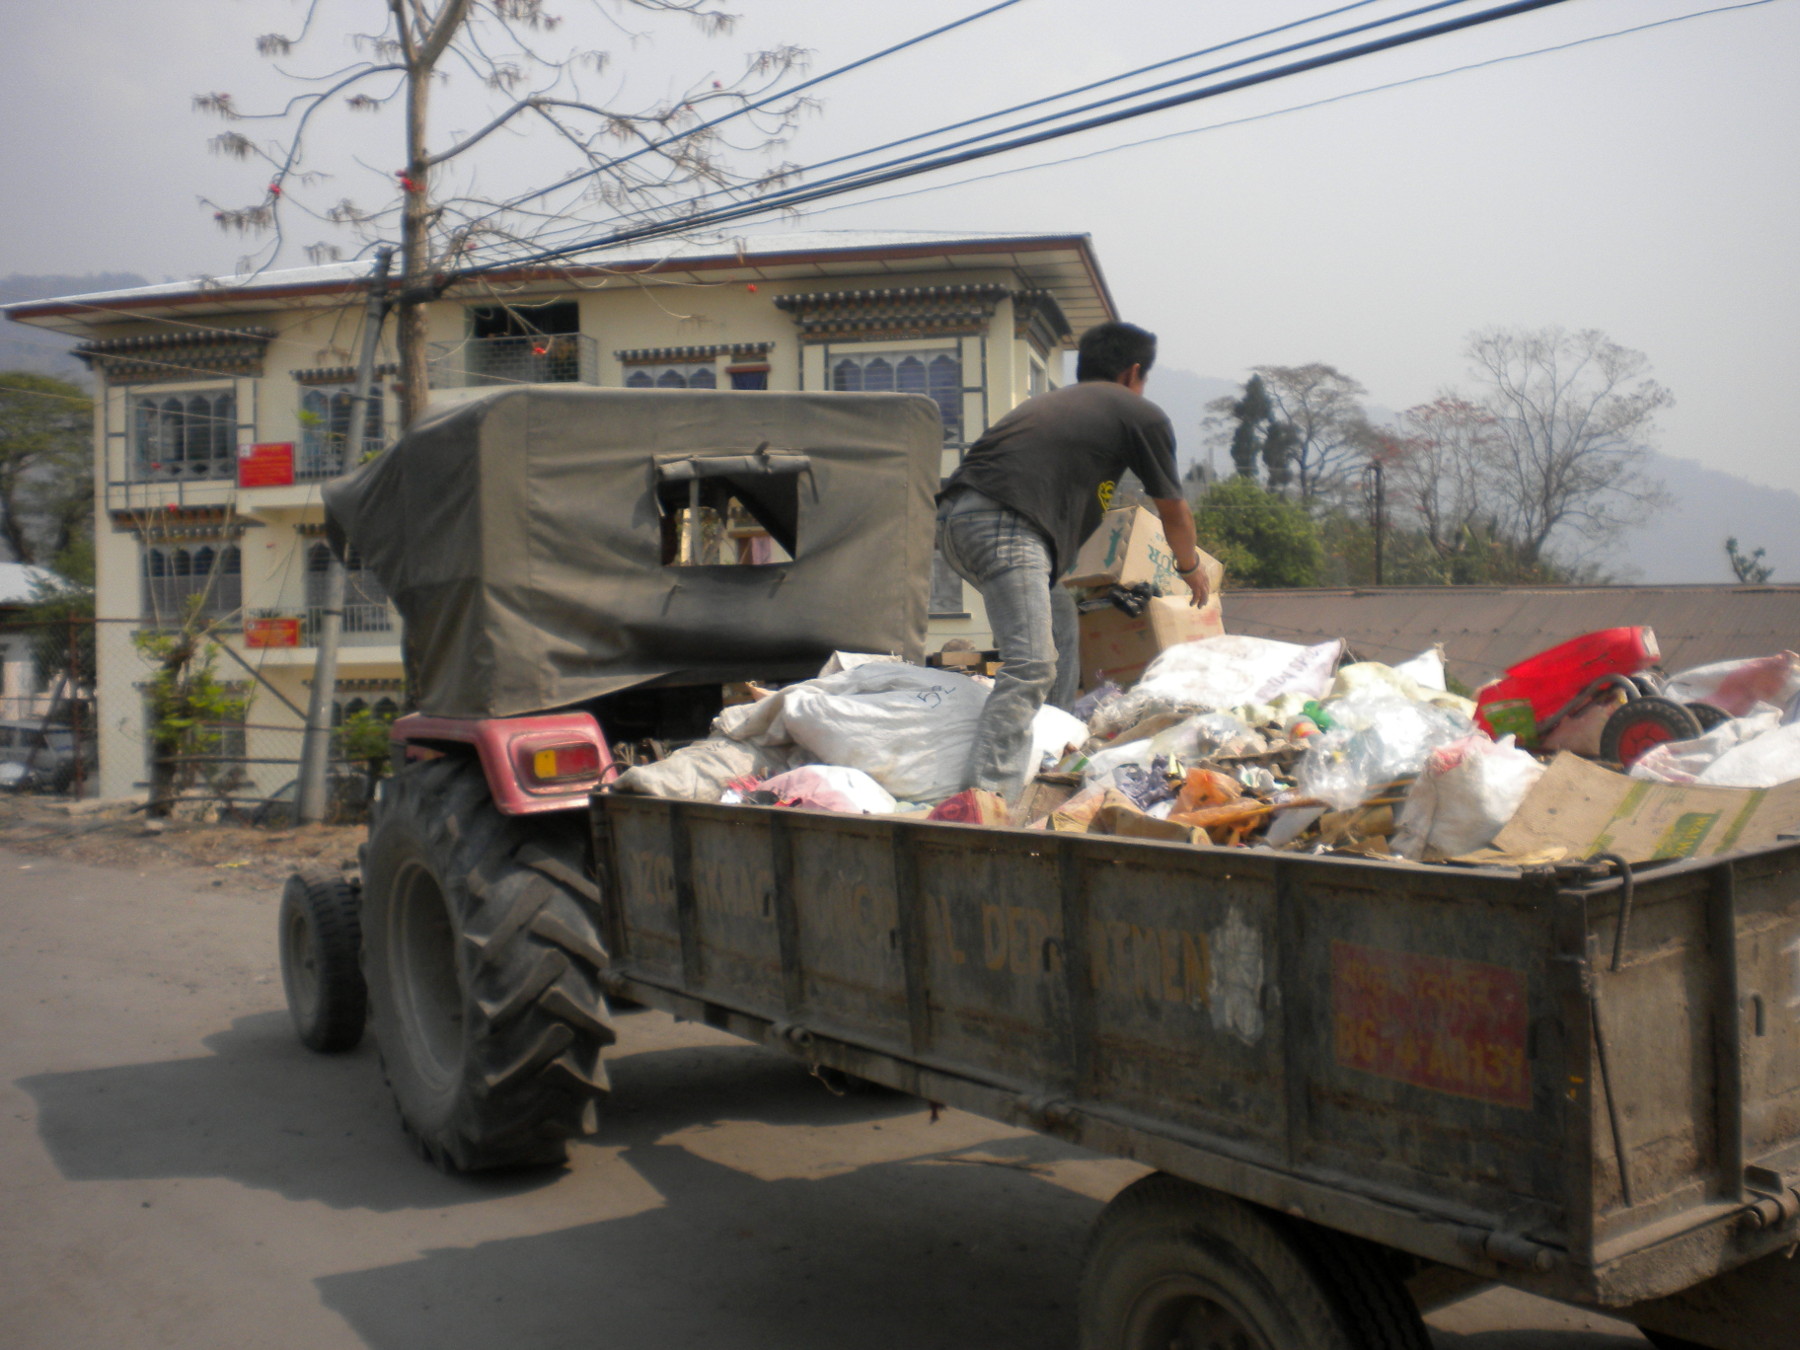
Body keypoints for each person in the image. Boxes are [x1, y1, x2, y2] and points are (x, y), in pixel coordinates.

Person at [936, 320, 1209, 802]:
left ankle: (1051, 747)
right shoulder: (1137, 412)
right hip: (1004, 523)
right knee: (1032, 663)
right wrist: (1190, 569)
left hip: (956, 522)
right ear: (1134, 372)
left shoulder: (1057, 405)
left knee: (1058, 612)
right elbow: (1173, 509)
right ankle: (983, 800)